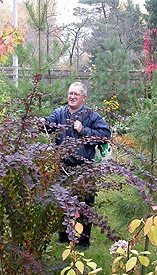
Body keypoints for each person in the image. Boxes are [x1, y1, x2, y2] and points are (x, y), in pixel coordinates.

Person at [40, 81, 111, 249]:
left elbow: (105, 135)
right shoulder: (60, 113)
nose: (71, 97)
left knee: (85, 205)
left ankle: (83, 241)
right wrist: (41, 122)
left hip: (84, 169)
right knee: (62, 203)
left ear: (84, 98)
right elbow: (48, 125)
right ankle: (63, 236)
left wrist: (84, 130)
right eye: (70, 93)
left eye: (76, 94)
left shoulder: (91, 116)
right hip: (63, 167)